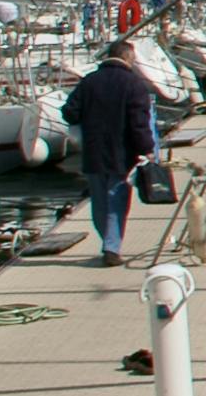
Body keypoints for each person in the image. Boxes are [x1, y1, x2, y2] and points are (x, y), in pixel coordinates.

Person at [65, 38, 161, 267]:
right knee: (116, 199)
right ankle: (111, 247)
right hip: (122, 152)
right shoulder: (134, 85)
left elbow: (70, 112)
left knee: (99, 201)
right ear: (128, 57)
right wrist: (147, 148)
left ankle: (108, 241)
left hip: (94, 151)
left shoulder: (89, 82)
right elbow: (139, 122)